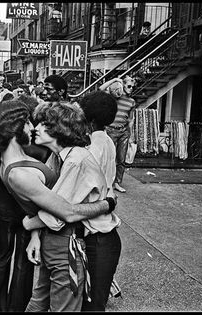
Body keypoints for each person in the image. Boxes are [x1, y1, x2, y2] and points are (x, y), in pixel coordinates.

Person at [0, 100, 115, 311]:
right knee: (56, 303)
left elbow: (57, 212)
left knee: (83, 304)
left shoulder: (72, 159)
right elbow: (62, 213)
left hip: (92, 238)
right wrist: (108, 203)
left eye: (41, 123)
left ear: (57, 129)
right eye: (30, 122)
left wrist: (32, 228)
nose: (34, 127)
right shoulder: (55, 159)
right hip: (65, 239)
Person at [0, 96, 51, 312]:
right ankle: (17, 307)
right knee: (23, 262)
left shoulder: (2, 147)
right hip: (30, 214)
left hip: (3, 211)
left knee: (1, 256)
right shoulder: (41, 149)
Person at [78, 91, 122, 311]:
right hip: (102, 233)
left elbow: (83, 187)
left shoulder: (94, 147)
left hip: (99, 235)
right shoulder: (105, 140)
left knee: (93, 304)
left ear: (91, 119)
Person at [100, 76, 137, 193]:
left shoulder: (132, 101)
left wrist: (131, 135)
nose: (131, 89)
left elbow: (131, 119)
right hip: (111, 130)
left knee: (121, 159)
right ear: (123, 85)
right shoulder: (114, 97)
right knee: (108, 158)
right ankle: (105, 182)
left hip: (124, 132)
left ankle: (117, 183)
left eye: (133, 87)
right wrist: (115, 80)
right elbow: (101, 88)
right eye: (129, 86)